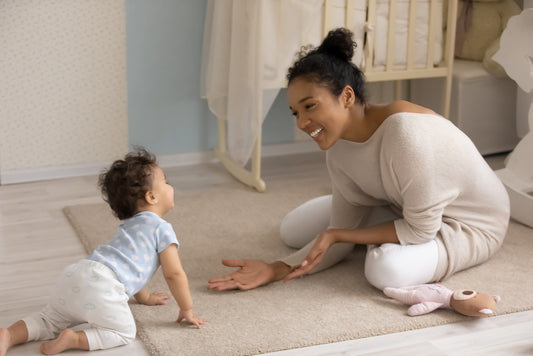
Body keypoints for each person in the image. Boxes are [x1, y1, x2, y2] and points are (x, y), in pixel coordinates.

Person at [207, 28, 510, 292]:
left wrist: (340, 234)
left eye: (310, 106)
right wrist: (276, 269)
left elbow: (420, 230)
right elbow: (340, 231)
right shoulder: (337, 145)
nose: (302, 123)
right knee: (293, 231)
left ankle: (387, 244)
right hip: (401, 206)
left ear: (347, 97)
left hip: (468, 223)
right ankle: (379, 235)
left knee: (383, 269)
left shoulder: (406, 133)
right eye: (296, 112)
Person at [0, 148, 205, 356]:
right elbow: (174, 274)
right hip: (103, 285)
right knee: (125, 332)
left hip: (77, 273)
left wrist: (145, 297)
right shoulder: (162, 228)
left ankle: (9, 334)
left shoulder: (128, 227)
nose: (170, 186)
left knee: (48, 320)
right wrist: (186, 308)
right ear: (151, 196)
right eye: (166, 181)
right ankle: (75, 339)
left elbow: (130, 266)